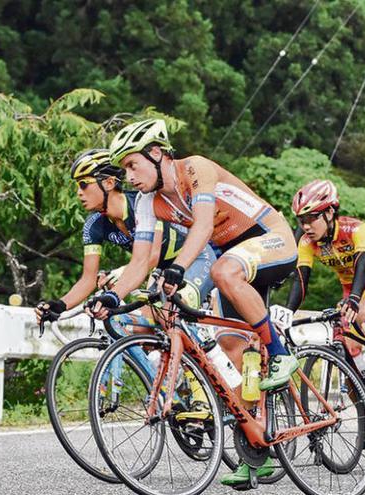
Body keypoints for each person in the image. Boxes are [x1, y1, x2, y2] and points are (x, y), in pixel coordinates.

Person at [103, 119, 298, 487]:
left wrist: (177, 269)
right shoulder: (148, 202)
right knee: (235, 350)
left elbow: (203, 228)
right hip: (232, 258)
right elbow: (141, 261)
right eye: (124, 168)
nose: (128, 176)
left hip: (271, 237)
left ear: (157, 154)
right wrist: (114, 295)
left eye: (133, 164)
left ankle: (282, 353)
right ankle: (257, 449)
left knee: (224, 272)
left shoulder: (196, 169)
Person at [34, 149, 214, 323]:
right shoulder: (93, 225)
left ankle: (212, 353)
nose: (79, 192)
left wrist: (119, 273)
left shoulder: (143, 204)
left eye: (84, 184)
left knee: (167, 317)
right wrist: (60, 305)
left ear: (109, 183)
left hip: (196, 259)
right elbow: (88, 279)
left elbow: (152, 256)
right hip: (163, 272)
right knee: (140, 329)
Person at [286, 180, 365, 396]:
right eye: (302, 220)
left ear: (329, 213)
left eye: (311, 219)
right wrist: (286, 314)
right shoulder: (306, 243)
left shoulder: (356, 229)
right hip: (351, 290)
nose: (306, 226)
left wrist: (355, 299)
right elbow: (300, 282)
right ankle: (363, 396)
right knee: (345, 343)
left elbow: (361, 264)